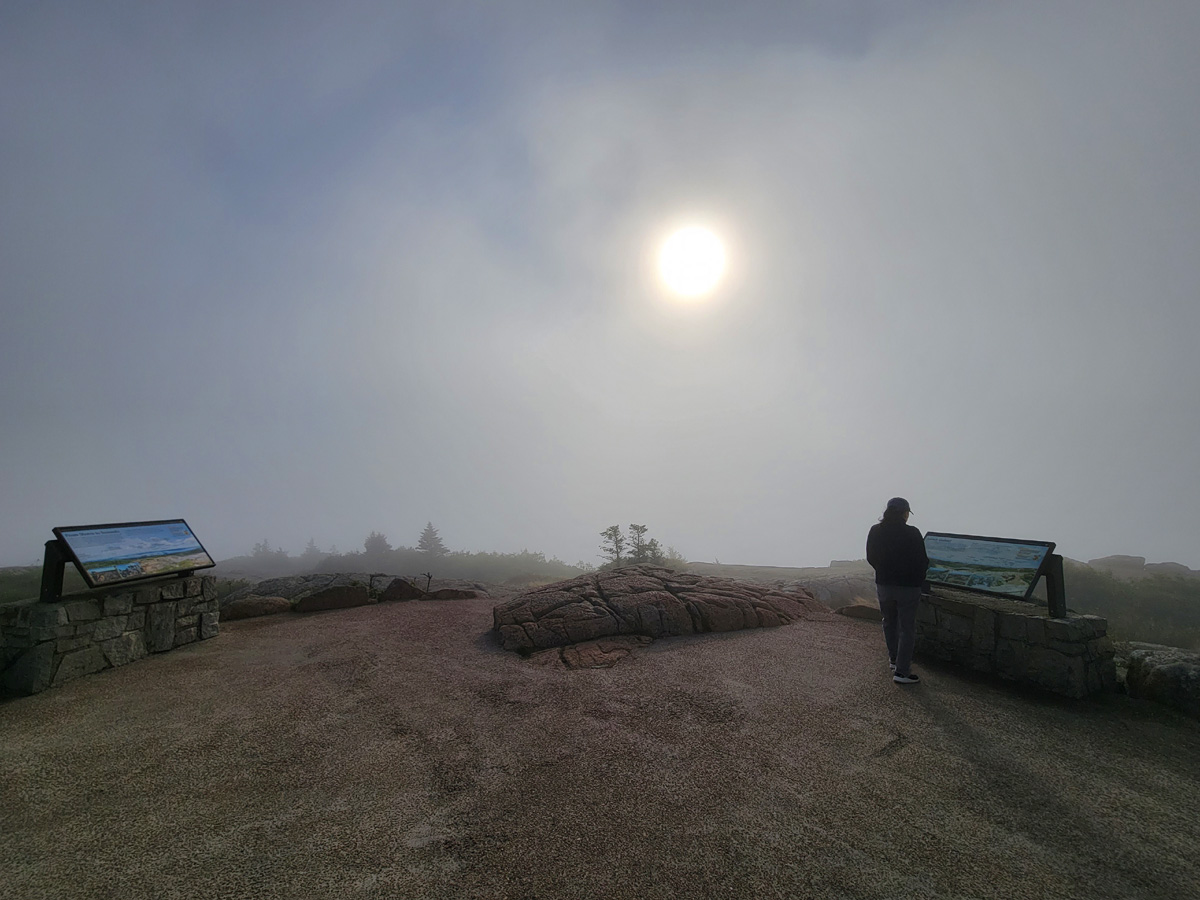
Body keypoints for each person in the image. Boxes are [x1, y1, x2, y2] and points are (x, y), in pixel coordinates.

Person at [866, 497, 929, 685]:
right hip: (908, 587)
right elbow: (922, 561)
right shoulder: (912, 533)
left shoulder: (876, 530)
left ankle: (893, 660)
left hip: (884, 585)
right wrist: (918, 580)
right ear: (904, 513)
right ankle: (902, 672)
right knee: (907, 628)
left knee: (889, 622)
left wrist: (883, 571)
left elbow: (871, 557)